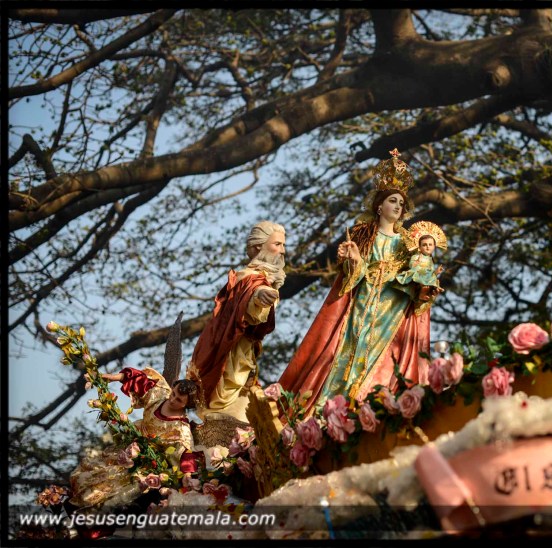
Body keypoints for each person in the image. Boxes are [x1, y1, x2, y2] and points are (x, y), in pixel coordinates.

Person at [279, 149, 439, 412]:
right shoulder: (365, 235)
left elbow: (418, 272)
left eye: (401, 203)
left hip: (392, 305)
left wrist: (422, 281)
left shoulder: (408, 243)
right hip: (363, 301)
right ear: (379, 205)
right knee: (349, 347)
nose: (398, 206)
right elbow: (355, 275)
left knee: (383, 354)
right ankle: (332, 406)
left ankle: (366, 402)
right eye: (393, 201)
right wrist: (353, 259)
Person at [186, 221, 286, 421]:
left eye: (283, 245)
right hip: (231, 347)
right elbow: (247, 294)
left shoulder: (265, 277)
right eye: (277, 244)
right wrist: (259, 296)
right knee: (228, 391)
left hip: (246, 349)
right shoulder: (250, 276)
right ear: (259, 246)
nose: (282, 251)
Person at [69, 368, 201, 510]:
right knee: (89, 475)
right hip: (128, 447)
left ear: (186, 405)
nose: (172, 399)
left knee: (106, 493)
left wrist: (187, 474)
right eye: (173, 393)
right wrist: (109, 377)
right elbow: (137, 380)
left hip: (142, 462)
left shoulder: (181, 427)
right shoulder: (161, 393)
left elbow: (185, 452)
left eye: (179, 400)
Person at [396, 221, 447, 309]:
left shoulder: (430, 260)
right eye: (424, 245)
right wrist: (416, 264)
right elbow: (413, 264)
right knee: (426, 279)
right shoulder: (417, 256)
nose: (428, 247)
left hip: (426, 275)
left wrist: (436, 272)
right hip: (418, 273)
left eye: (430, 244)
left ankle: (431, 289)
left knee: (430, 278)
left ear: (434, 246)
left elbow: (430, 270)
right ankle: (422, 294)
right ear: (419, 247)